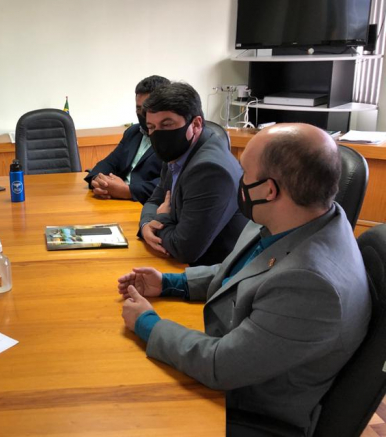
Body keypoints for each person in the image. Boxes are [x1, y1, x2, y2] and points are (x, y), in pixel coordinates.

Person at [118, 123, 371, 436]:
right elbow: (246, 270)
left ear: (269, 190)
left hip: (247, 407)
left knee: (123, 405)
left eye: (244, 172)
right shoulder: (298, 217)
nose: (238, 180)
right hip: (235, 364)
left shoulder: (311, 284)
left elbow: (220, 365)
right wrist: (171, 283)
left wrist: (147, 323)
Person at [138, 82, 247, 266]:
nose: (158, 134)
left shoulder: (210, 170)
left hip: (211, 273)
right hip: (179, 263)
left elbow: (184, 249)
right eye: (152, 127)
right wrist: (146, 224)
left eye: (167, 124)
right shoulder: (178, 152)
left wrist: (160, 218)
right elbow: (154, 200)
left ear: (196, 124)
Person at [84, 75, 169, 203]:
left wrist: (128, 191)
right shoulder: (133, 132)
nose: (142, 113)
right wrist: (98, 180)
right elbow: (109, 162)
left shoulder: (171, 137)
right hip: (115, 200)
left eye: (146, 108)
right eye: (138, 108)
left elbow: (169, 182)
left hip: (146, 204)